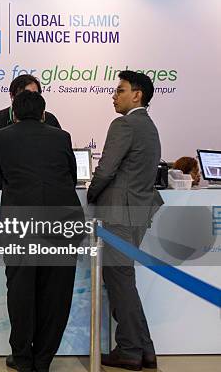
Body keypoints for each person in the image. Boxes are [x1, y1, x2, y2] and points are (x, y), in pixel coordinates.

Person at [0, 90, 83, 372]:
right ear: (44, 114)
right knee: (56, 292)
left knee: (20, 290)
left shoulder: (0, 137)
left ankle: (22, 358)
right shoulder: (61, 136)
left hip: (21, 223)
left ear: (14, 113)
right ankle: (43, 359)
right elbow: (72, 174)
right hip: (63, 221)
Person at [87, 70, 163, 371]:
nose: (114, 96)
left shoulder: (124, 124)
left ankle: (130, 350)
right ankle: (145, 349)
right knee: (123, 279)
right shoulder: (149, 126)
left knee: (119, 279)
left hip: (119, 211)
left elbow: (106, 169)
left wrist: (92, 193)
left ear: (137, 94)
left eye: (120, 90)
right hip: (138, 211)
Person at [0, 74, 61, 169]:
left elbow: (61, 154)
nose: (29, 99)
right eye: (24, 95)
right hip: (6, 182)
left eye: (34, 95)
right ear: (11, 96)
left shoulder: (50, 119)